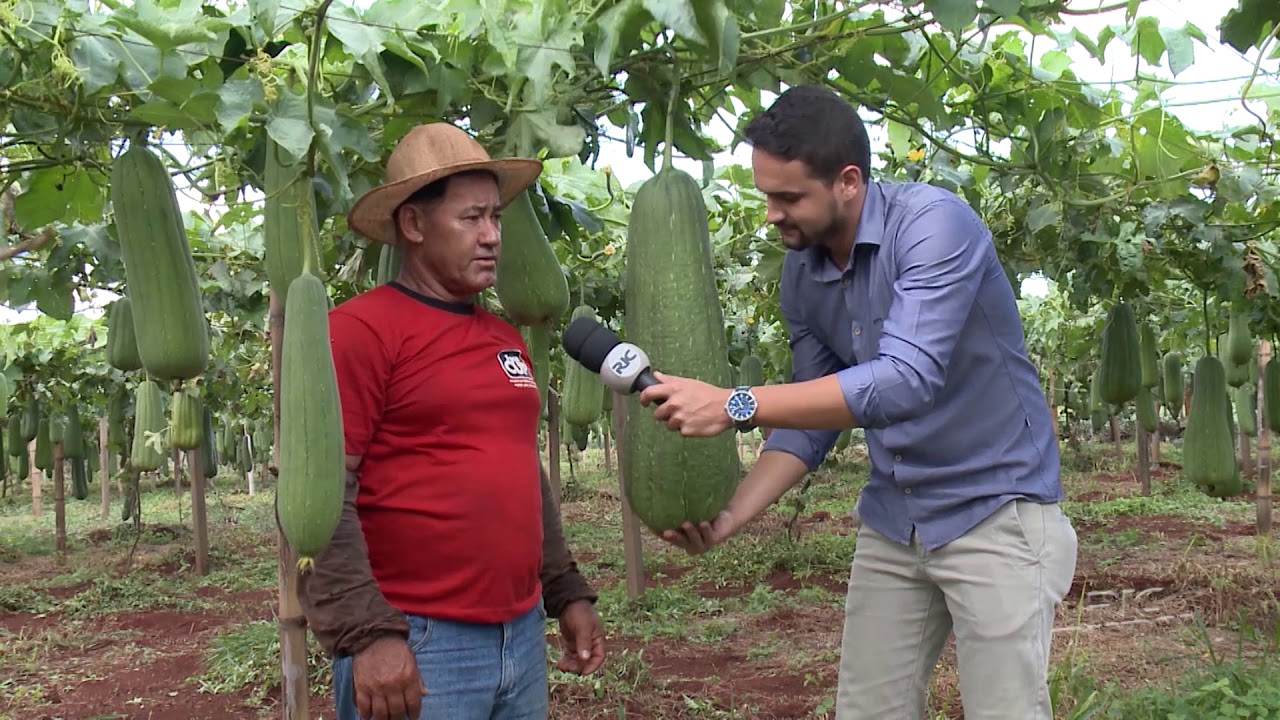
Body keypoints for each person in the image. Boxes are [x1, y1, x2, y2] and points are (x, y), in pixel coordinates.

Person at [638, 85, 1078, 720]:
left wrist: (735, 403)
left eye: (788, 197)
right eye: (766, 194)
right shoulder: (801, 271)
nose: (771, 214)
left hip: (995, 513)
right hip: (895, 520)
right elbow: (807, 426)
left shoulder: (935, 225)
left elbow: (905, 379)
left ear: (848, 181)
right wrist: (732, 516)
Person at [298, 122, 606, 720]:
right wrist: (368, 634)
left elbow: (521, 473)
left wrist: (564, 589)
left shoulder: (502, 336)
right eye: (472, 219)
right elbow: (318, 497)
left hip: (518, 635)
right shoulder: (358, 332)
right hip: (418, 641)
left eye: (497, 217)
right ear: (414, 225)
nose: (493, 236)